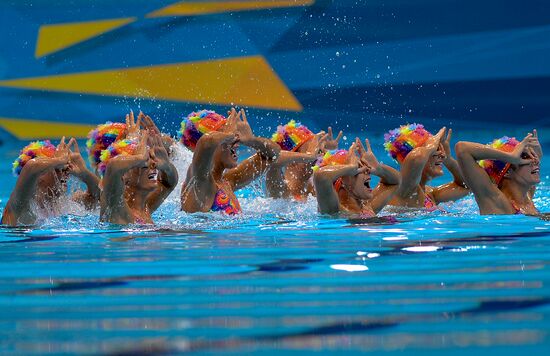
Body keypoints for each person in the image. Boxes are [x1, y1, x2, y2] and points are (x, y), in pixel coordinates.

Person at [180, 108, 280, 215]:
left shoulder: (228, 181)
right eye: (226, 138)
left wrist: (251, 140)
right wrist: (230, 135)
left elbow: (273, 154)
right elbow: (206, 142)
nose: (236, 143)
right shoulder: (200, 182)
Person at [99, 113, 178, 224]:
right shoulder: (116, 206)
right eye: (145, 163)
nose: (153, 167)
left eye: (152, 161)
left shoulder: (146, 208)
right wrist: (138, 155)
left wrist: (166, 166)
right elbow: (113, 167)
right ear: (126, 173)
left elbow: (169, 183)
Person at [2, 137, 100, 226]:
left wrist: (84, 174)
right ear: (39, 176)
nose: (65, 174)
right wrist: (60, 160)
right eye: (58, 169)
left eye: (65, 169)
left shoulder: (68, 204)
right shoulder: (22, 206)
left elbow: (103, 197)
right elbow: (31, 167)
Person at [383, 124, 468, 210]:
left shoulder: (429, 194)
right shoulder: (401, 189)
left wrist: (448, 160)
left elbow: (465, 186)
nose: (442, 154)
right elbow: (416, 159)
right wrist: (431, 145)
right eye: (435, 149)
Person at [455, 131, 542, 215]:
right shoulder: (496, 202)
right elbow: (462, 149)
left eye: (533, 156)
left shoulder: (526, 194)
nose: (534, 161)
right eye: (525, 157)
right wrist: (511, 156)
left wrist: (537, 155)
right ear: (507, 171)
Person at [313, 138, 400, 216]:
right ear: (343, 181)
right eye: (359, 168)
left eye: (366, 167)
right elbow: (320, 176)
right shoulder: (334, 211)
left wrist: (379, 169)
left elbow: (396, 182)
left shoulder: (368, 206)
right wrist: (351, 167)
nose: (366, 170)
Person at [267, 121, 342, 200]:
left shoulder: (312, 189)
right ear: (292, 161)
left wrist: (331, 151)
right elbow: (273, 160)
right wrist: (309, 156)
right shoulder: (281, 190)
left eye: (318, 151)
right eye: (313, 151)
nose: (319, 158)